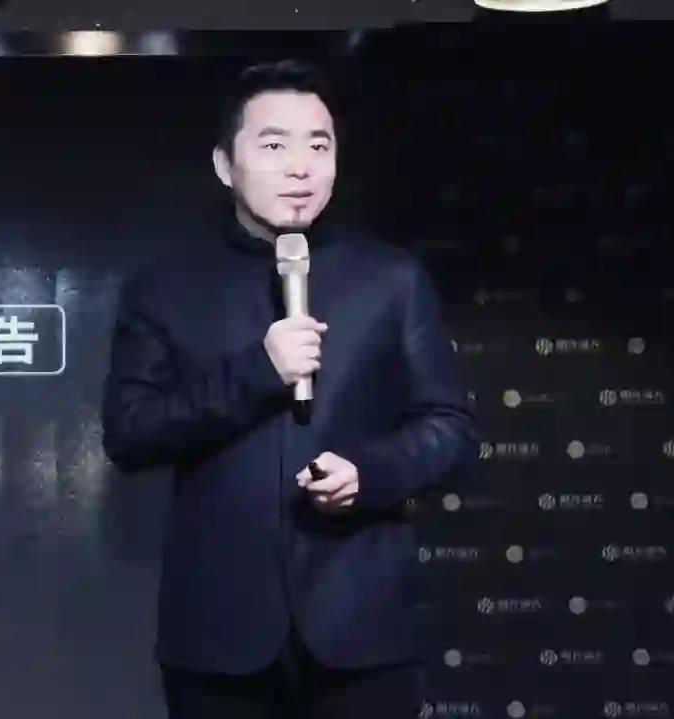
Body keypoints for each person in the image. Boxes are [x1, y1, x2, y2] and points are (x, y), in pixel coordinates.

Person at [101, 59, 479, 718]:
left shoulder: (391, 279)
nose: (300, 167)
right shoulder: (164, 288)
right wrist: (258, 372)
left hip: (364, 632)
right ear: (226, 164)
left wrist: (370, 472)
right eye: (274, 146)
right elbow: (129, 431)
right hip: (218, 637)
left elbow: (450, 428)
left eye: (319, 146)